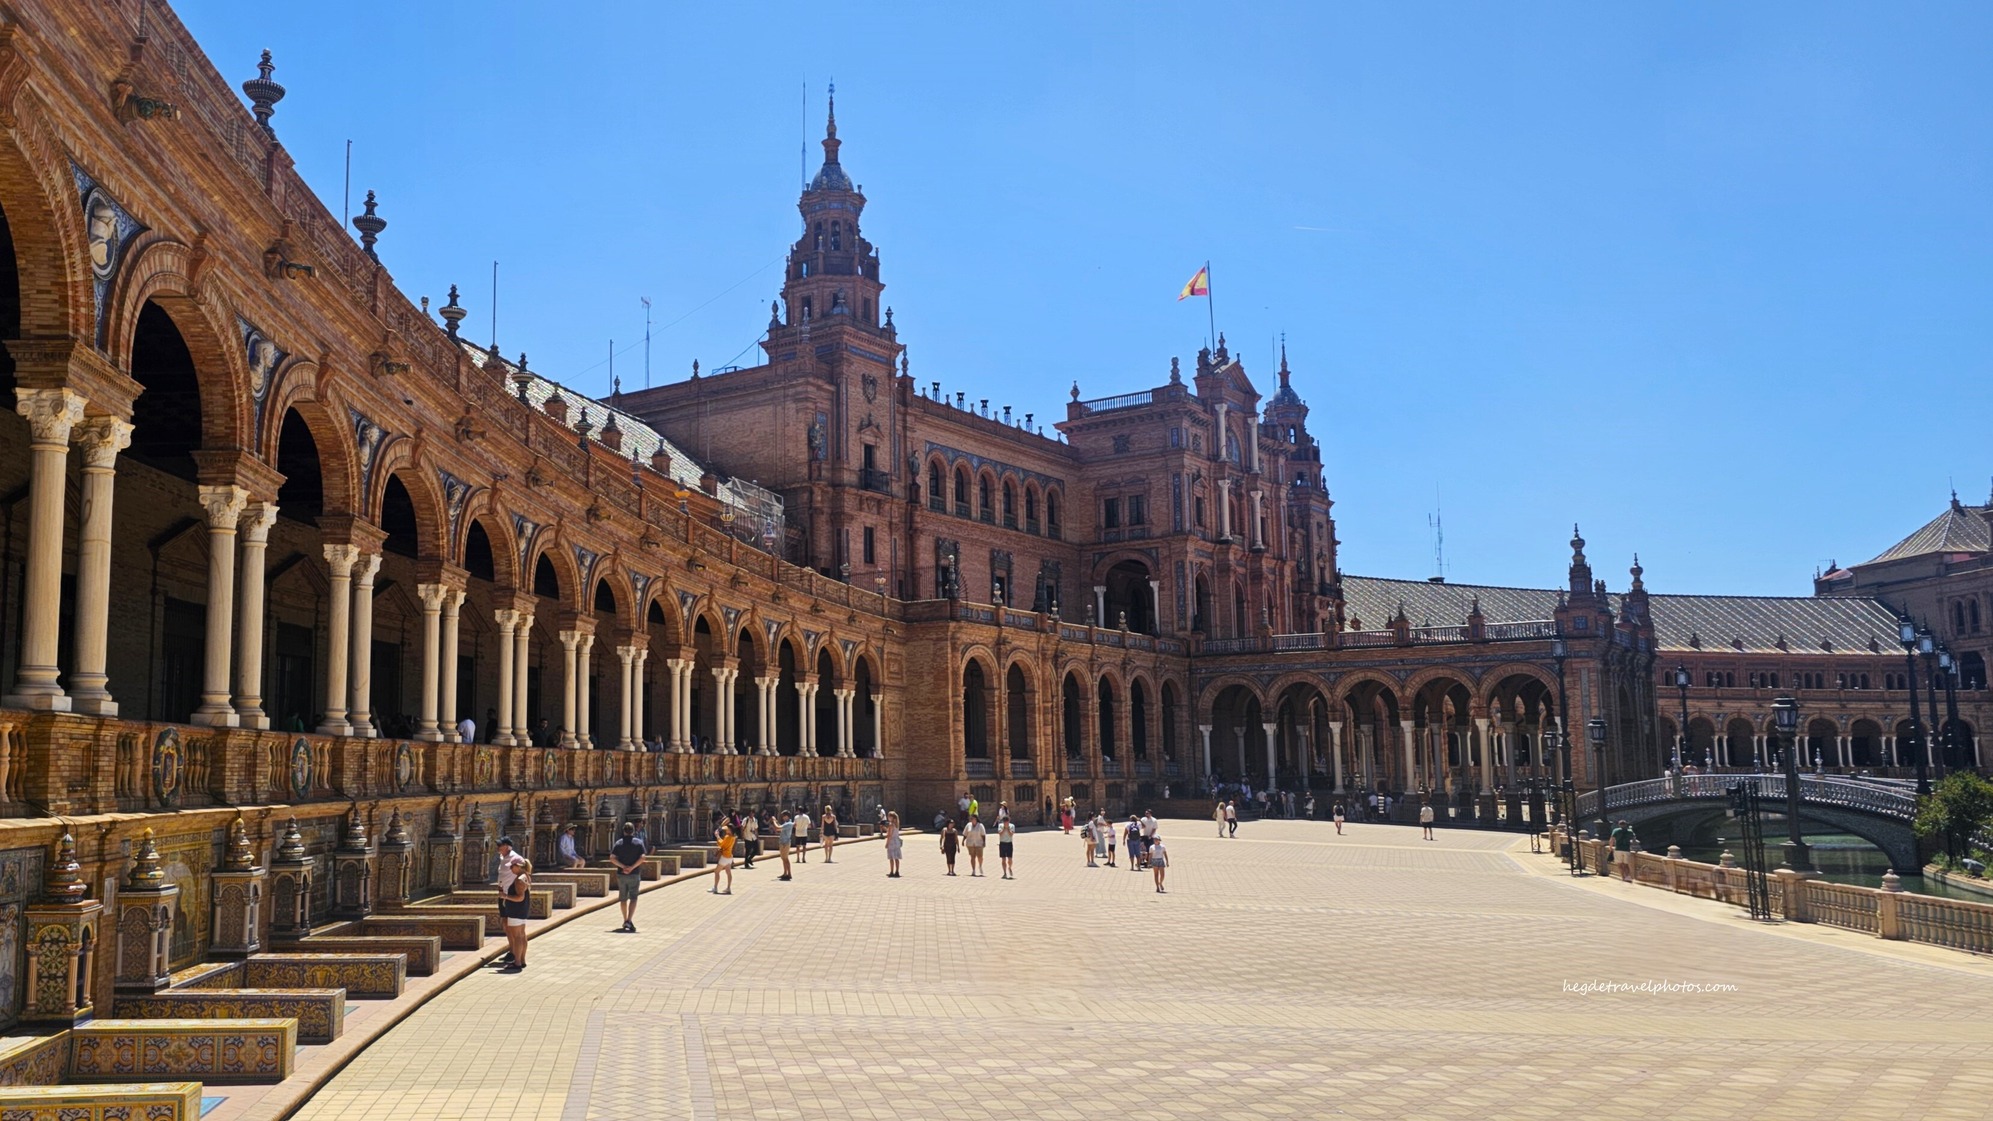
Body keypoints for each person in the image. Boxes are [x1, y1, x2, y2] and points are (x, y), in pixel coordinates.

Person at [491, 837, 526, 968]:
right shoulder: (502, 858)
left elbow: (523, 873)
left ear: (507, 846)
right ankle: (512, 951)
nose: (498, 848)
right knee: (506, 924)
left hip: (510, 895)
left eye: (501, 845)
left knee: (516, 929)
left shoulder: (516, 859)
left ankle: (516, 956)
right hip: (503, 895)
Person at [497, 855, 533, 971]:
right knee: (522, 935)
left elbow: (520, 897)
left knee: (517, 936)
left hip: (516, 910)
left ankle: (517, 962)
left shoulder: (519, 879)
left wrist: (505, 896)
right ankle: (522, 960)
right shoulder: (526, 876)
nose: (511, 869)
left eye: (512, 866)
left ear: (518, 866)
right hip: (522, 910)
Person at [610, 822, 647, 932]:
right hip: (634, 873)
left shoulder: (619, 843)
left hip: (622, 874)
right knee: (633, 898)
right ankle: (629, 920)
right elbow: (643, 857)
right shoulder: (638, 843)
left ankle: (625, 918)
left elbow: (612, 858)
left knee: (623, 898)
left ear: (624, 831)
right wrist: (632, 867)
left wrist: (623, 866)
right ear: (633, 831)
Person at [712, 824, 735, 894]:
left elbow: (722, 844)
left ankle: (715, 888)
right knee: (728, 872)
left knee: (716, 871)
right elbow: (724, 843)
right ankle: (728, 888)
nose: (725, 830)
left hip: (724, 857)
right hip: (730, 857)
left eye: (727, 829)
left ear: (730, 830)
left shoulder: (727, 837)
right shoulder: (733, 837)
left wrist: (717, 836)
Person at [776, 811, 796, 881]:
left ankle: (789, 873)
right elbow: (780, 828)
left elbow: (777, 827)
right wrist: (776, 821)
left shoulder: (789, 824)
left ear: (787, 816)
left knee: (786, 858)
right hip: (782, 842)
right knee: (783, 858)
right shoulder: (786, 824)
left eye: (784, 816)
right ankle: (785, 873)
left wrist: (773, 821)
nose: (783, 818)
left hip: (785, 843)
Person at [884, 811, 903, 877]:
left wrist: (887, 843)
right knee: (896, 858)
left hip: (892, 842)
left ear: (891, 817)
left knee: (891, 858)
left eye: (889, 816)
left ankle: (891, 871)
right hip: (897, 841)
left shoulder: (891, 825)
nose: (888, 818)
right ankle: (897, 871)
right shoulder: (897, 824)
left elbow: (889, 835)